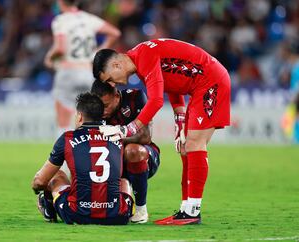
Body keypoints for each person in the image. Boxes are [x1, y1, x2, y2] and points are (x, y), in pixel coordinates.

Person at [92, 38, 231, 225]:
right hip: (201, 84)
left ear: (116, 64)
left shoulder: (144, 57)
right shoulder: (141, 60)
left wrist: (126, 129)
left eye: (109, 78)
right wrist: (179, 115)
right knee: (185, 147)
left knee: (194, 144)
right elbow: (172, 81)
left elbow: (156, 100)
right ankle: (186, 209)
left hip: (209, 82)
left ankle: (192, 211)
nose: (113, 84)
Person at [31, 92, 133, 225]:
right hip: (117, 216)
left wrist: (38, 189)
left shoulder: (68, 138)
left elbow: (39, 181)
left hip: (77, 214)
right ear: (101, 116)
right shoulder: (116, 136)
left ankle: (49, 210)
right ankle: (136, 213)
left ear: (79, 116)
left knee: (57, 175)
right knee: (123, 181)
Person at [44, 0, 121, 134]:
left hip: (68, 71)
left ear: (61, 2)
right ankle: (89, 150)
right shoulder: (88, 19)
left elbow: (60, 49)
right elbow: (115, 33)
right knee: (89, 117)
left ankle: (64, 153)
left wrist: (49, 58)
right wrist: (96, 53)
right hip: (87, 71)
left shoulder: (60, 21)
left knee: (63, 119)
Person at [91, 80, 160, 223]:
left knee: (133, 150)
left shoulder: (135, 98)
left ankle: (141, 210)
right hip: (110, 163)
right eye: (99, 107)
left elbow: (145, 136)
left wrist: (118, 135)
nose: (102, 111)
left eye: (105, 106)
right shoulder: (93, 109)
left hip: (143, 158)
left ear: (116, 96)